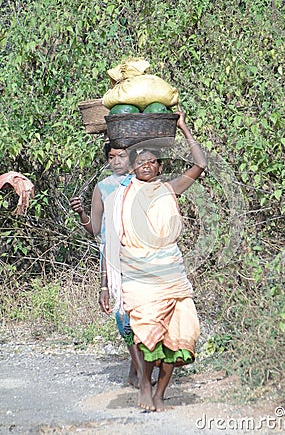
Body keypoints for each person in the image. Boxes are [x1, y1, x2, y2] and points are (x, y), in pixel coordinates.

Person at [101, 105, 207, 411]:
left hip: (170, 274)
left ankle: (160, 394)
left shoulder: (169, 189)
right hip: (137, 276)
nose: (146, 165)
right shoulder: (119, 196)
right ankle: (145, 386)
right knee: (146, 333)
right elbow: (110, 244)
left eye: (152, 162)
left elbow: (200, 164)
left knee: (176, 334)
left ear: (159, 167)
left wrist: (184, 128)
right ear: (133, 168)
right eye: (141, 162)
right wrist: (105, 286)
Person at [70, 143, 144, 388]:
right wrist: (81, 214)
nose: (116, 161)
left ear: (132, 159)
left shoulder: (142, 181)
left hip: (140, 256)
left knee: (142, 313)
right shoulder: (103, 187)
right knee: (123, 316)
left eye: (122, 156)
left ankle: (139, 371)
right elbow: (95, 230)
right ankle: (139, 371)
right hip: (113, 261)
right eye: (111, 157)